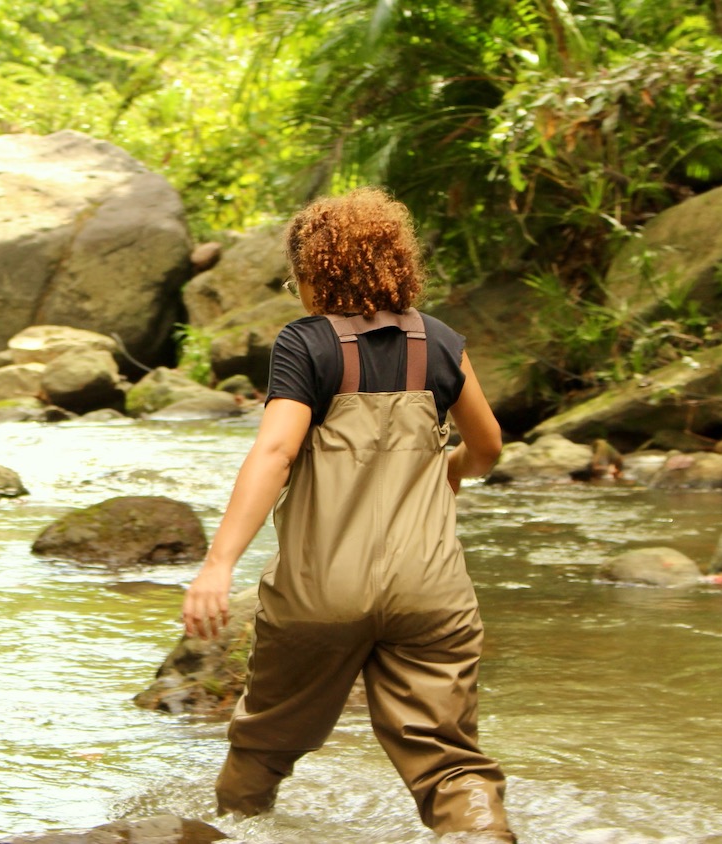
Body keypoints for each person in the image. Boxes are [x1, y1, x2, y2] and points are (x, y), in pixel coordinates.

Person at [181, 187, 515, 843]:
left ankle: (228, 833)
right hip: (431, 591)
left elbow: (276, 451)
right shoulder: (441, 344)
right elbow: (489, 446)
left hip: (320, 589)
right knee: (450, 763)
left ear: (316, 273)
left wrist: (217, 564)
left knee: (263, 745)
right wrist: (450, 469)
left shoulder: (305, 345)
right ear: (396, 263)